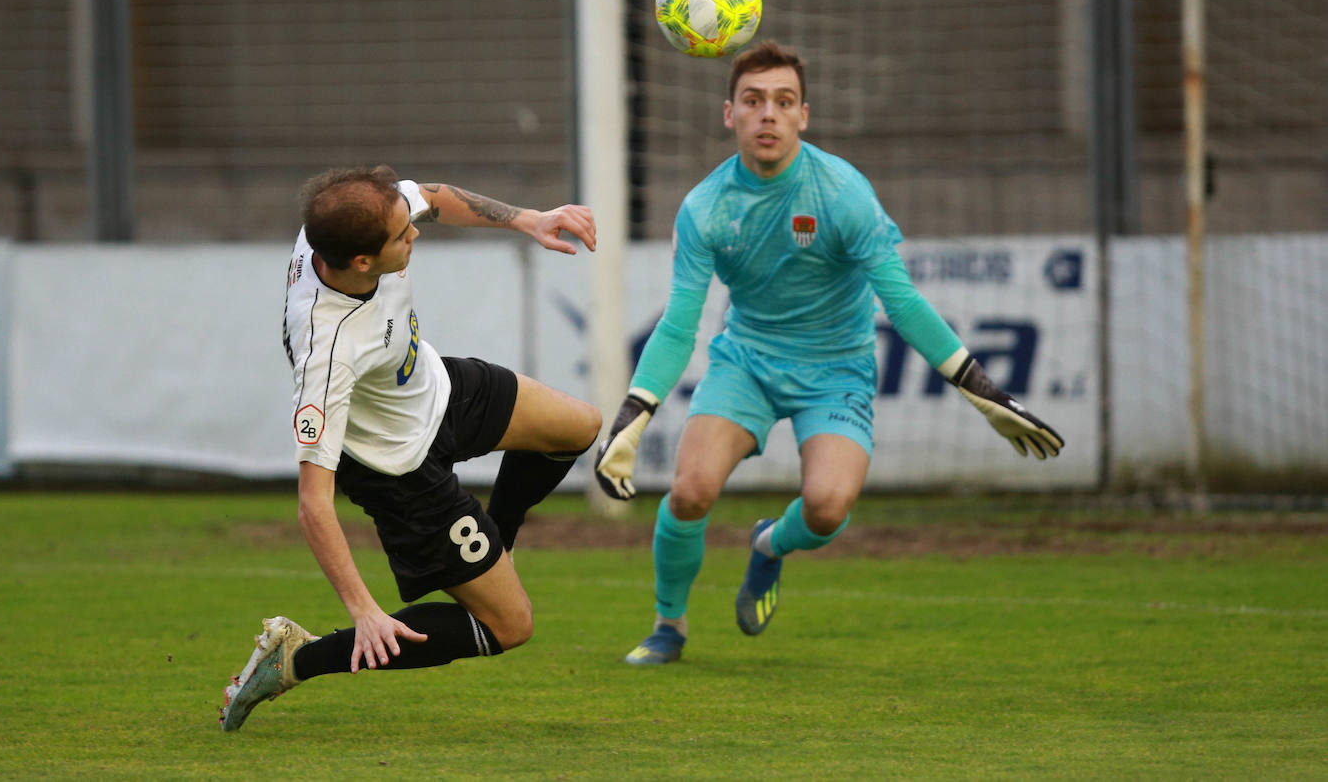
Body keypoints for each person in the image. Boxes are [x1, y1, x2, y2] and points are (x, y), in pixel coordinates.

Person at [593, 41, 1063, 665]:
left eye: (783, 102)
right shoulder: (705, 207)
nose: (769, 115)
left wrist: (982, 389)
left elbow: (902, 303)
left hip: (836, 369)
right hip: (747, 363)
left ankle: (769, 547)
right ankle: (668, 628)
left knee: (827, 506)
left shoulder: (842, 192)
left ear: (804, 116)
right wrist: (636, 409)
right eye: (754, 101)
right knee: (691, 490)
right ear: (728, 112)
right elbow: (681, 323)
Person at [220, 165, 602, 730]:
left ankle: (502, 541)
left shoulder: (347, 221)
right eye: (402, 236)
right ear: (361, 263)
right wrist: (364, 609)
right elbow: (313, 504)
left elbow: (431, 196)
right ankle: (296, 657)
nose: (415, 233)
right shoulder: (327, 351)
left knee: (578, 425)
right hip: (398, 469)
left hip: (436, 389)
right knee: (510, 627)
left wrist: (529, 219)